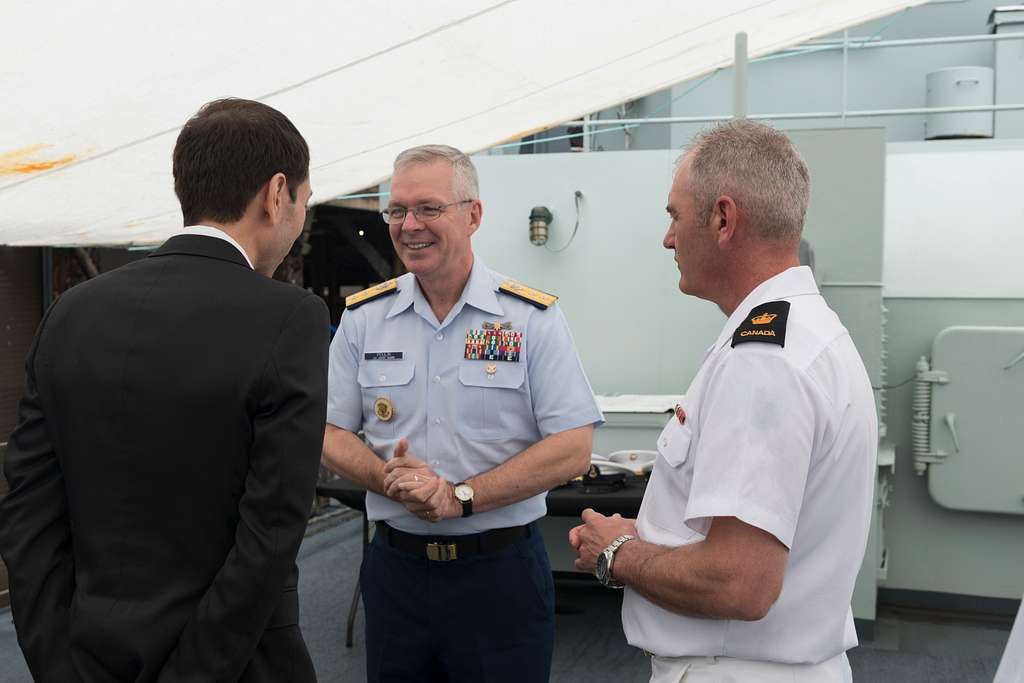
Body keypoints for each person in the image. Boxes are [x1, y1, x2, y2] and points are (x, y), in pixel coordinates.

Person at [0, 98, 329, 682]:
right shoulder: (288, 317)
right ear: (276, 193)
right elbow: (270, 531)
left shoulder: (72, 311)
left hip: (84, 657)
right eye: (304, 201)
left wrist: (56, 662)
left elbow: (27, 513)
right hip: (237, 667)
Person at [570, 120, 876, 682]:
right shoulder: (806, 331)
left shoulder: (762, 360)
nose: (668, 238)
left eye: (674, 216)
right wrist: (654, 538)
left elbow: (741, 582)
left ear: (723, 219)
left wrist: (616, 552)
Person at [321, 144, 603, 682]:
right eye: (397, 211)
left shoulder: (529, 319)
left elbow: (572, 446)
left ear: (473, 215)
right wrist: (389, 479)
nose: (409, 225)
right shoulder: (364, 318)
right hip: (397, 572)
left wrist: (458, 498)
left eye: (428, 208)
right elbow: (329, 433)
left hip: (499, 576)